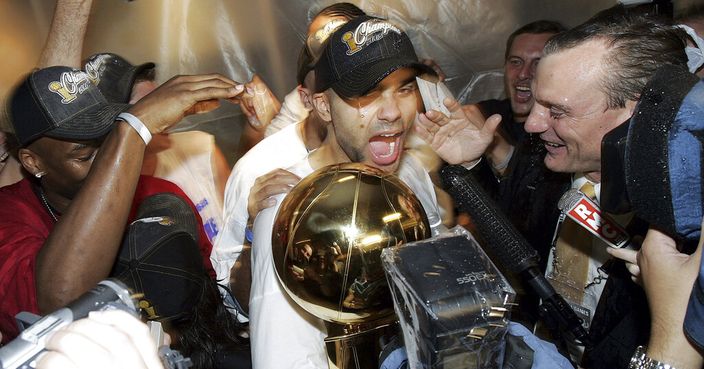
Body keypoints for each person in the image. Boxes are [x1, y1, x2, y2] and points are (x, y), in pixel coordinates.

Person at [416, 8, 689, 369]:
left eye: (556, 111)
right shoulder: (542, 158)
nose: (532, 124)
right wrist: (471, 166)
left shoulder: (683, 230)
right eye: (538, 103)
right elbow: (511, 238)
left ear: (638, 113)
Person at [247, 15, 494, 368]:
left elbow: (451, 292)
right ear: (322, 106)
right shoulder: (290, 207)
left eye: (405, 88)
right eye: (367, 93)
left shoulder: (410, 174)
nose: (394, 113)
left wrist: (468, 172)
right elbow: (285, 358)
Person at [0, 66, 244, 343]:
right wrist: (132, 131)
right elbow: (59, 304)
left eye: (110, 140)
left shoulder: (159, 192)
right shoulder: (8, 215)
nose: (109, 160)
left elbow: (215, 294)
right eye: (85, 156)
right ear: (33, 162)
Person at [212, 2, 365, 312]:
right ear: (307, 95)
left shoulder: (392, 153)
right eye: (326, 71)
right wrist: (255, 232)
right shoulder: (258, 169)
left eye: (359, 74)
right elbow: (233, 303)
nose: (342, 86)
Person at [84, 52, 233, 242]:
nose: (168, 117)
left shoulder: (201, 148)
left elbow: (241, 217)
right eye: (149, 106)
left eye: (161, 100)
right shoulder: (107, 199)